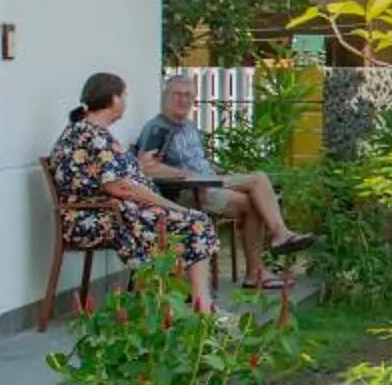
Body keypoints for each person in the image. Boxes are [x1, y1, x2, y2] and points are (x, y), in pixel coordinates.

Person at [48, 71, 222, 314]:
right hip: (99, 217)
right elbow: (120, 187)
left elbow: (112, 176)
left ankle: (185, 303)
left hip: (111, 213)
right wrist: (169, 206)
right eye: (125, 95)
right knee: (195, 223)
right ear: (113, 99)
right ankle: (196, 306)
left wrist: (138, 164)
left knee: (188, 224)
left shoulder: (88, 132)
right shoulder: (93, 136)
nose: (126, 101)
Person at [133, 75, 314, 291]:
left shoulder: (188, 126)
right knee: (258, 179)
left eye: (188, 95)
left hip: (210, 183)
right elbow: (146, 167)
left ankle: (258, 270)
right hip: (187, 194)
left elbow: (198, 160)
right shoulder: (157, 129)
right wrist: (185, 175)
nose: (183, 100)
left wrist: (221, 170)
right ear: (165, 96)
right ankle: (278, 238)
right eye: (177, 94)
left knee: (255, 198)